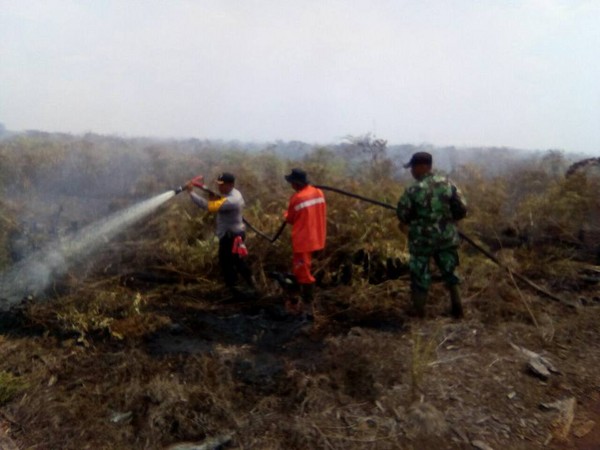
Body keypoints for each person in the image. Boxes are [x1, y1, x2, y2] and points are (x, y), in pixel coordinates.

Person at [396, 152, 467, 318]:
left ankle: (419, 315)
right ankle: (458, 311)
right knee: (450, 273)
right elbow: (462, 209)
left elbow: (402, 215)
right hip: (446, 238)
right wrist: (448, 221)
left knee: (420, 277)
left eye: (413, 167)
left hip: (421, 241)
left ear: (423, 167)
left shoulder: (413, 190)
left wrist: (415, 220)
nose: (412, 171)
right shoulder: (448, 185)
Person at [185, 172, 255, 297]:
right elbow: (218, 197)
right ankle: (245, 284)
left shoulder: (232, 200)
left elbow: (207, 206)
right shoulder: (233, 193)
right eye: (218, 184)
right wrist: (211, 194)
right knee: (234, 260)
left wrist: (191, 193)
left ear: (231, 185)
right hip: (232, 234)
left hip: (232, 237)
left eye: (222, 185)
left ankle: (236, 288)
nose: (219, 187)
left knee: (228, 261)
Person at [284, 168, 327, 309]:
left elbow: (290, 219)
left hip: (303, 240)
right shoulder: (318, 192)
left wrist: (284, 215)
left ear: (296, 183)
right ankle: (301, 301)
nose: (291, 186)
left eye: (292, 182)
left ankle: (307, 306)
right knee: (303, 267)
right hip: (317, 237)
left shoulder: (297, 198)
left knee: (302, 271)